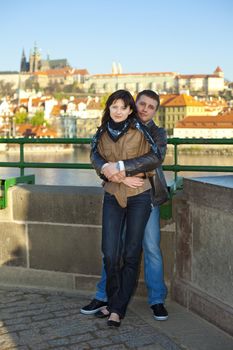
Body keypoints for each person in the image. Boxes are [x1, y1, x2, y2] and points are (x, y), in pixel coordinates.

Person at [81, 90, 169, 323]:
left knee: (149, 247)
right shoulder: (112, 128)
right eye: (142, 104)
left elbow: (155, 158)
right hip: (118, 191)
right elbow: (97, 155)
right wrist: (114, 174)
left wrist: (122, 170)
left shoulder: (156, 132)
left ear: (155, 111)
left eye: (151, 107)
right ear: (134, 103)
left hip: (144, 194)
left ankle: (156, 299)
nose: (145, 109)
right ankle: (105, 297)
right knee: (111, 249)